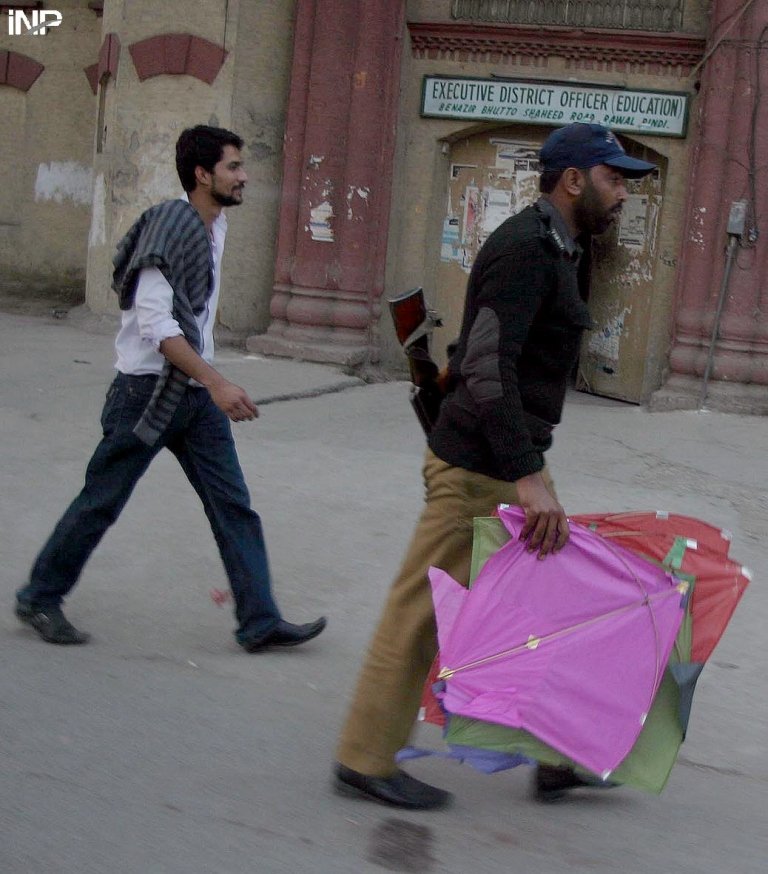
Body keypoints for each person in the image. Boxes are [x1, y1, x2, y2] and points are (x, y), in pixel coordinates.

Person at [333, 123, 655, 808]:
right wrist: (529, 476)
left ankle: (556, 753)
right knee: (419, 615)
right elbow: (488, 362)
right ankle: (363, 757)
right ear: (574, 180)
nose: (623, 192)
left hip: (508, 459)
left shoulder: (562, 247)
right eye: (614, 178)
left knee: (558, 602)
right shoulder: (527, 249)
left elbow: (486, 346)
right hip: (480, 468)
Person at [15, 125, 326, 654]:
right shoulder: (169, 228)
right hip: (146, 392)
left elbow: (194, 320)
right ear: (203, 175)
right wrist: (218, 382)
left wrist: (207, 385)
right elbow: (156, 328)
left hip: (195, 397)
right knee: (102, 500)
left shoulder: (213, 227)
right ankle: (40, 595)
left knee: (233, 506)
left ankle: (259, 620)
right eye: (232, 166)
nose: (244, 175)